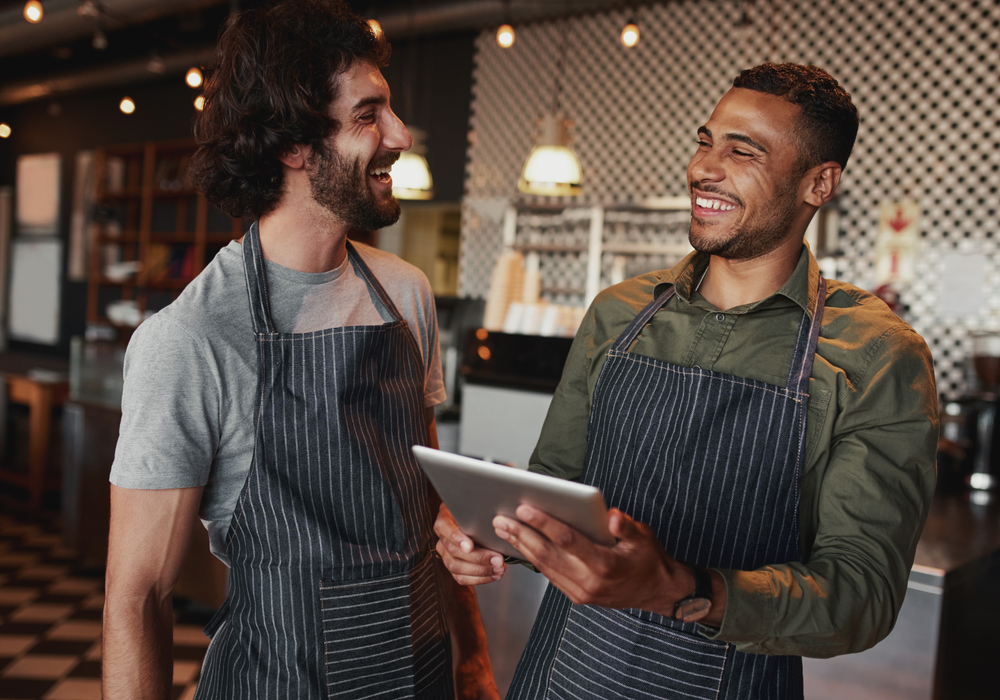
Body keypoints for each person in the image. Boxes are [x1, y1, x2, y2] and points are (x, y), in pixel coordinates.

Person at [435, 62, 938, 700]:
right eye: (705, 141)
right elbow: (554, 489)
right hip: (561, 674)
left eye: (743, 150)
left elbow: (859, 595)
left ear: (820, 182)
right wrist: (492, 535)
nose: (705, 166)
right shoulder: (619, 312)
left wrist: (679, 588)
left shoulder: (877, 356)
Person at [102, 2, 498, 698]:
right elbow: (136, 598)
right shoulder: (190, 339)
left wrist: (472, 656)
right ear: (292, 145)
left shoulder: (405, 295)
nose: (400, 136)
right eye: (369, 114)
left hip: (424, 675)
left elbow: (427, 500)